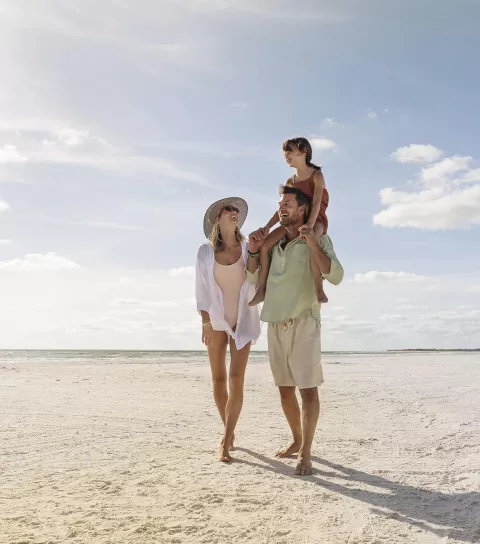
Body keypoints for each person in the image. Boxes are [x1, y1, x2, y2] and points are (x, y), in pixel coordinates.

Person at [246, 185, 343, 476]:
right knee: (285, 391)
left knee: (308, 391)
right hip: (275, 319)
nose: (281, 207)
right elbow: (252, 276)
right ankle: (297, 440)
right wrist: (252, 249)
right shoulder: (273, 244)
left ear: (302, 209)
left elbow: (336, 275)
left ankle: (306, 452)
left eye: (287, 203)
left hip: (304, 319)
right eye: (279, 204)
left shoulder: (319, 238)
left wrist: (313, 243)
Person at [195, 197, 261, 463]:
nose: (234, 213)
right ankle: (229, 431)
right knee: (219, 380)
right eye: (228, 210)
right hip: (216, 321)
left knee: (236, 380)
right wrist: (206, 322)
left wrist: (256, 252)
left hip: (243, 320)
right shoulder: (204, 252)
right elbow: (200, 291)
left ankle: (225, 440)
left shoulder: (248, 248)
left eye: (236, 211)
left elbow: (256, 277)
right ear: (217, 219)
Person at [249, 137, 329, 307]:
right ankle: (262, 289)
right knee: (264, 246)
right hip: (293, 223)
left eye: (290, 151)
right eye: (285, 152)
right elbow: (283, 208)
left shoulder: (317, 176)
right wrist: (267, 227)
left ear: (304, 152)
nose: (286, 155)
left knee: (311, 240)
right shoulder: (290, 182)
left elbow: (316, 204)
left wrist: (309, 226)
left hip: (316, 219)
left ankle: (319, 287)